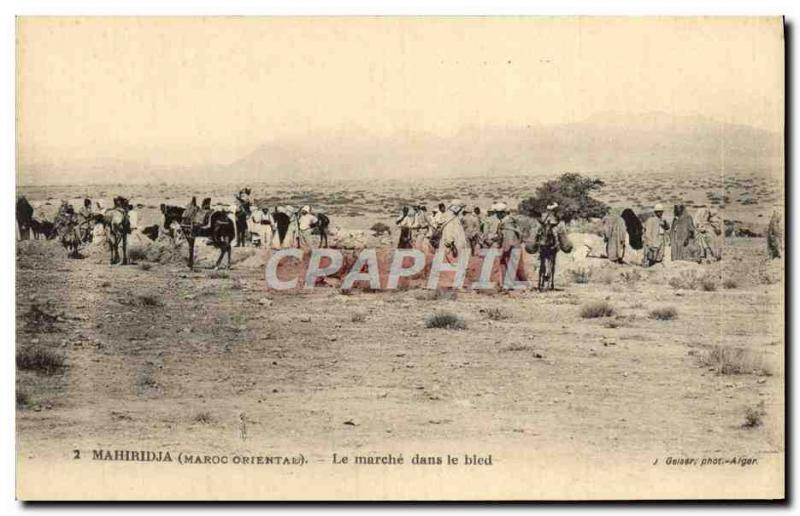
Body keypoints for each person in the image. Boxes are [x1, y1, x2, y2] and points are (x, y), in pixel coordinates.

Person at [493, 203, 528, 289]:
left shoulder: (507, 222)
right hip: (510, 246)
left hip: (511, 247)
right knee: (507, 265)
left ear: (504, 213)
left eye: (499, 213)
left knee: (515, 267)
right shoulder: (505, 222)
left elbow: (509, 237)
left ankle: (515, 285)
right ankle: (508, 285)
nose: (497, 215)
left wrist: (505, 249)